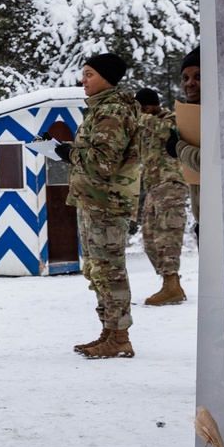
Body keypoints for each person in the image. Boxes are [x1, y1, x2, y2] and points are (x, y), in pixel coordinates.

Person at [57, 53, 141, 358]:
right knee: (98, 270)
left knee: (110, 270)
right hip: (94, 201)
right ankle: (109, 331)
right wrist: (66, 150)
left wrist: (67, 154)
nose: (83, 80)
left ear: (106, 77)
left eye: (89, 74)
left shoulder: (113, 111)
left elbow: (104, 162)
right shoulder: (100, 109)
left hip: (107, 202)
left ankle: (120, 337)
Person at [134, 88, 188, 305]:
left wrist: (142, 117)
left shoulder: (171, 120)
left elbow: (170, 132)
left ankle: (171, 284)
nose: (142, 113)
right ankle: (170, 283)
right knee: (149, 239)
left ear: (153, 105)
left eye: (144, 108)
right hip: (153, 187)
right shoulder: (144, 127)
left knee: (168, 234)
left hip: (171, 183)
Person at [164, 48, 200, 237]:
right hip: (204, 220)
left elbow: (208, 165)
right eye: (185, 78)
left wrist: (178, 147)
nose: (190, 84)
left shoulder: (223, 114)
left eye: (198, 76)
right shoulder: (192, 116)